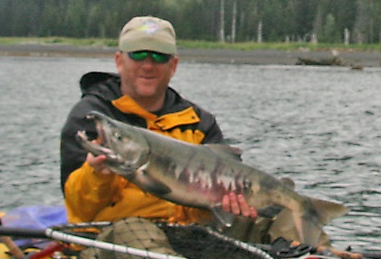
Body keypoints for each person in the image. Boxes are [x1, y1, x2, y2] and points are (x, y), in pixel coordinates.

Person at [60, 15, 257, 227]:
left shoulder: (199, 122)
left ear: (173, 65)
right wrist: (96, 174)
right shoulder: (91, 118)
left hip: (191, 233)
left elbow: (214, 206)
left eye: (159, 56)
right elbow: (79, 209)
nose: (148, 65)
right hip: (115, 235)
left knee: (272, 220)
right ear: (119, 61)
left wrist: (228, 206)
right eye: (138, 54)